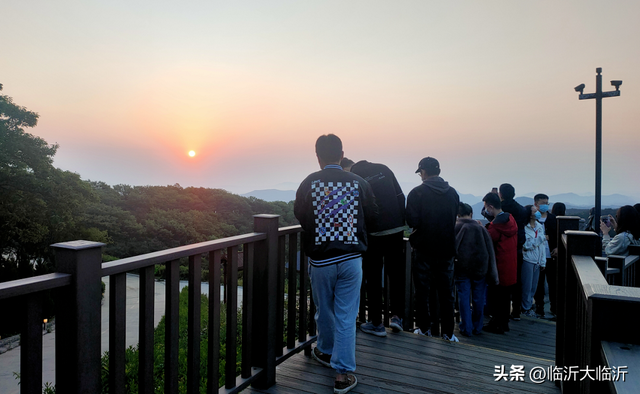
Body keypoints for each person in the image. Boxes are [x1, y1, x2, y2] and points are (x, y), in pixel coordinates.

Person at [294, 134, 377, 394]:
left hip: (321, 259)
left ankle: (325, 350)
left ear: (318, 157)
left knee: (325, 309)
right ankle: (342, 375)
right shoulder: (358, 182)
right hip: (352, 258)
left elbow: (301, 214)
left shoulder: (310, 182)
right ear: (342, 154)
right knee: (346, 314)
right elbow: (373, 214)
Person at [342, 158, 407, 335]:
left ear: (347, 168)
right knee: (396, 275)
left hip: (374, 234)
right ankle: (397, 317)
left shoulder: (353, 176)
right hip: (396, 230)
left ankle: (376, 323)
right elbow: (401, 197)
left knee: (373, 276)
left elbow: (356, 209)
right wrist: (400, 223)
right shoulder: (384, 168)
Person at [406, 157, 460, 342]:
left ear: (423, 172)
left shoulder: (417, 193)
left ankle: (424, 329)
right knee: (447, 292)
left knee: (422, 291)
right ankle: (448, 333)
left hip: (423, 248)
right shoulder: (452, 193)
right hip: (447, 250)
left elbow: (412, 221)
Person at [454, 202, 498, 336]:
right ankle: (477, 327)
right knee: (479, 299)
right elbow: (490, 250)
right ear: (471, 213)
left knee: (464, 297)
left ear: (457, 214)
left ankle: (466, 327)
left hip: (461, 268)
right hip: (480, 268)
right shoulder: (480, 228)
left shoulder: (455, 227)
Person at [482, 192, 518, 334]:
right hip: (511, 264)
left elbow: (488, 243)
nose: (486, 210)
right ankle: (504, 323)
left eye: (486, 207)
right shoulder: (510, 220)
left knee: (496, 298)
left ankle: (496, 324)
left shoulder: (495, 227)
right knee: (505, 297)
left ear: (491, 206)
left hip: (499, 266)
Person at [498, 183, 527, 321]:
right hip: (519, 247)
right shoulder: (521, 209)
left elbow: (492, 220)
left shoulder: (502, 209)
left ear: (501, 194)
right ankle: (516, 311)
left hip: (503, 248)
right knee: (517, 281)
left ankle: (500, 312)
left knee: (502, 281)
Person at [533, 194, 557, 317]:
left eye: (547, 203)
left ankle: (554, 307)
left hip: (551, 256)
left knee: (553, 282)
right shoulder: (532, 219)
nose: (545, 205)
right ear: (536, 204)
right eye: (543, 203)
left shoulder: (553, 219)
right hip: (537, 256)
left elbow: (558, 235)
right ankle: (539, 307)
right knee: (539, 283)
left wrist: (557, 247)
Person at [521, 205, 546, 318]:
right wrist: (541, 238)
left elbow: (542, 246)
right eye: (534, 211)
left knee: (533, 287)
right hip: (528, 259)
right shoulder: (524, 228)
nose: (537, 213)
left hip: (537, 261)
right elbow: (526, 245)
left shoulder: (539, 226)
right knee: (526, 286)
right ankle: (525, 308)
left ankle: (529, 307)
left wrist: (543, 261)